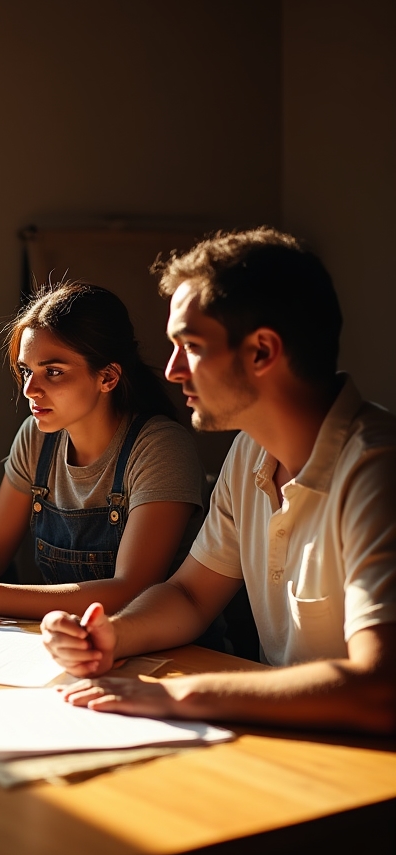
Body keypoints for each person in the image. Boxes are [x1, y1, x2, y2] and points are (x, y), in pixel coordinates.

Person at [44, 229, 396, 735]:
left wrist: (175, 693)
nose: (171, 371)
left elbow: (379, 687)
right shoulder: (250, 450)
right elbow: (190, 595)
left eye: (190, 346)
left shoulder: (376, 468)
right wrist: (110, 635)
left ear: (261, 352)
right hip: (283, 744)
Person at [0, 282, 206, 621]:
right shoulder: (36, 437)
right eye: (26, 371)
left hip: (166, 655)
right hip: (67, 642)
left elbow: (130, 589)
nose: (30, 390)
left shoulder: (159, 447)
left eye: (54, 372)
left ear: (107, 377)